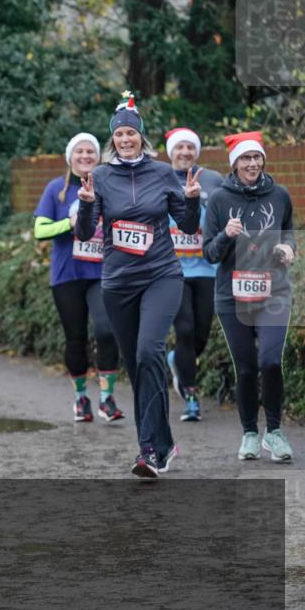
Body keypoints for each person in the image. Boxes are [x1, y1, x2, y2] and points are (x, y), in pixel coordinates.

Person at [75, 92, 202, 479]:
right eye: (120, 135)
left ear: (141, 137)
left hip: (161, 275)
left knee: (149, 352)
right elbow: (84, 233)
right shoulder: (100, 177)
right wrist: (84, 204)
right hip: (118, 282)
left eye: (132, 133)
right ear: (113, 139)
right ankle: (162, 446)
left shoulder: (163, 172)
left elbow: (188, 226)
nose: (126, 139)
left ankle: (148, 451)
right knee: (136, 364)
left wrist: (192, 200)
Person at [203, 132, 296, 462]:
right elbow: (210, 253)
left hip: (275, 293)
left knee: (270, 362)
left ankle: (274, 432)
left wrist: (288, 250)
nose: (253, 163)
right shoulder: (218, 200)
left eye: (257, 157)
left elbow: (289, 236)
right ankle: (250, 435)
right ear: (234, 164)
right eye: (246, 158)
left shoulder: (280, 195)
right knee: (245, 369)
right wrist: (226, 235)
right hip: (232, 297)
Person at [35, 133, 124, 424]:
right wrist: (69, 223)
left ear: (98, 158)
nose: (85, 157)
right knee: (75, 339)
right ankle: (80, 398)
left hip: (101, 272)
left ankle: (107, 399)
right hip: (68, 274)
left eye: (91, 152)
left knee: (107, 330)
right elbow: (40, 230)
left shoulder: (107, 188)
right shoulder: (56, 190)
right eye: (80, 152)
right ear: (70, 157)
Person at [162, 128, 225, 422]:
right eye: (179, 147)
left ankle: (177, 360)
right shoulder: (159, 178)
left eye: (190, 147)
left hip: (206, 268)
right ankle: (191, 397)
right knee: (184, 329)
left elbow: (228, 211)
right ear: (170, 151)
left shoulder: (213, 179)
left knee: (199, 333)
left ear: (196, 151)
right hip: (171, 270)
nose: (184, 152)